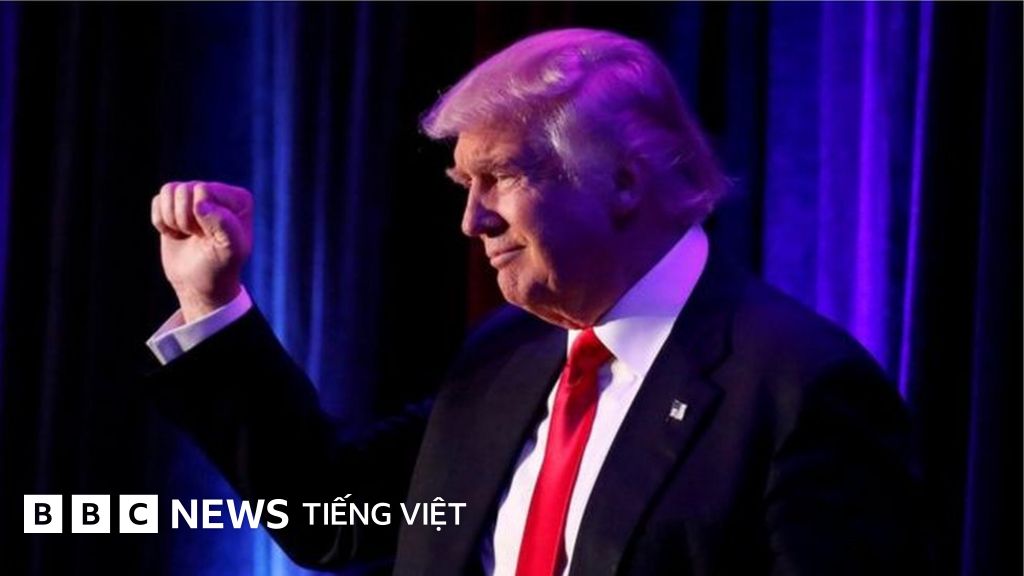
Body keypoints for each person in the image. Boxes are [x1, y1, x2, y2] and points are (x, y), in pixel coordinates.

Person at [146, 28, 923, 575]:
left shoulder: (799, 389)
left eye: (502, 177)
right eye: (464, 184)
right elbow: (334, 513)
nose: (471, 220)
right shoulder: (505, 354)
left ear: (624, 180)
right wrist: (210, 302)